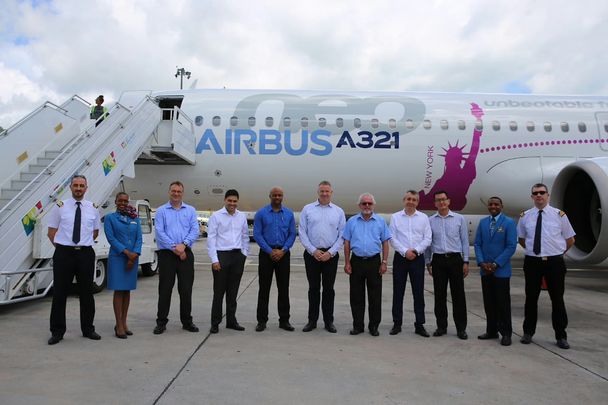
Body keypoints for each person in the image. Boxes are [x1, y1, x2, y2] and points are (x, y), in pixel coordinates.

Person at [517, 183, 575, 349]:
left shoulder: (559, 215)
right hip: (533, 261)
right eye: (535, 193)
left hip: (554, 262)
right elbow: (522, 239)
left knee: (557, 299)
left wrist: (557, 252)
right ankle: (528, 332)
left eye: (542, 193)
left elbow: (570, 239)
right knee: (531, 298)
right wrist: (534, 251)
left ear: (547, 195)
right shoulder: (525, 216)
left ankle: (561, 336)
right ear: (532, 197)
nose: (539, 195)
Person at [47, 174, 101, 345]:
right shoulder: (60, 207)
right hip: (64, 254)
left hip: (85, 254)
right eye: (75, 185)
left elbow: (95, 232)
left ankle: (88, 329)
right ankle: (57, 331)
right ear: (70, 187)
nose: (78, 188)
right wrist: (63, 247)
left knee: (87, 293)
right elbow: (51, 232)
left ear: (86, 188)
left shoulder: (93, 207)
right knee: (60, 293)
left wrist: (80, 246)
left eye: (81, 185)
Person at [299, 181, 345, 333]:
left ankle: (328, 321)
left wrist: (330, 253)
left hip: (330, 256)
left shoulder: (338, 211)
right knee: (313, 289)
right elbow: (302, 232)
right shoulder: (307, 209)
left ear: (332, 192)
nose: (324, 194)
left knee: (328, 289)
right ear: (317, 192)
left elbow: (342, 235)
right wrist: (313, 251)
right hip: (312, 255)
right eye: (322, 191)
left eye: (327, 191)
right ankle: (312, 321)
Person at [153, 181, 200, 335]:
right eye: (173, 191)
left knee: (186, 290)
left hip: (186, 253)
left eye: (179, 191)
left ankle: (187, 321)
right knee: (165, 289)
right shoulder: (161, 211)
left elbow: (195, 230)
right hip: (167, 254)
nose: (176, 194)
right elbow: (160, 232)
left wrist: (184, 245)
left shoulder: (191, 210)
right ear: (169, 192)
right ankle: (161, 322)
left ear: (182, 193)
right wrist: (175, 248)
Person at [343, 193, 391, 337]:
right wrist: (347, 262)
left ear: (373, 205)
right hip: (356, 261)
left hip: (374, 262)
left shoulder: (380, 221)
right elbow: (347, 243)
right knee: (356, 296)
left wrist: (384, 262)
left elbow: (385, 242)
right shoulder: (351, 221)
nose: (367, 206)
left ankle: (374, 326)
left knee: (375, 296)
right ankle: (357, 326)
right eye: (364, 203)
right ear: (359, 205)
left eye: (369, 203)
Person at [426, 190, 469, 340]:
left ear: (448, 201)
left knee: (458, 295)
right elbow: (429, 244)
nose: (441, 202)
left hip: (455, 259)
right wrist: (428, 262)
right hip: (438, 260)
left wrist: (466, 261)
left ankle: (461, 328)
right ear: (435, 203)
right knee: (440, 295)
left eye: (444, 199)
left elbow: (464, 241)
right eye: (438, 200)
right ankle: (441, 326)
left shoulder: (459, 219)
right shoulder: (430, 221)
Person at [473, 196, 517, 346]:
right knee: (489, 302)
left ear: (501, 206)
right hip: (485, 270)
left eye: (496, 204)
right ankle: (491, 330)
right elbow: (477, 244)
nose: (493, 206)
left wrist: (496, 264)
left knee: (503, 303)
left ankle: (506, 333)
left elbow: (511, 246)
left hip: (501, 270)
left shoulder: (509, 223)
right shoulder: (483, 222)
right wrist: (481, 262)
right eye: (491, 204)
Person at [389, 190, 432, 337]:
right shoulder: (395, 217)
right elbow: (392, 238)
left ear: (417, 202)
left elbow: (428, 238)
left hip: (417, 258)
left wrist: (416, 251)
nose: (411, 202)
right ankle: (397, 323)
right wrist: (405, 251)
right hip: (401, 258)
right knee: (398, 292)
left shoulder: (424, 218)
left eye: (414, 199)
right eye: (408, 199)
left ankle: (419, 325)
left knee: (418, 292)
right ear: (404, 200)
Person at [253, 187, 297, 332]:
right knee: (264, 289)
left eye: (279, 195)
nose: (277, 197)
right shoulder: (261, 213)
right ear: (269, 196)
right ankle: (261, 321)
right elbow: (257, 235)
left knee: (284, 289)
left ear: (282, 197)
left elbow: (292, 234)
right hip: (266, 254)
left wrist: (283, 250)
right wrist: (270, 250)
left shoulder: (289, 214)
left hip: (283, 254)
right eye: (274, 195)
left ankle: (284, 320)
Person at [207, 189, 250, 333]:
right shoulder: (216, 216)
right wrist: (214, 260)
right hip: (221, 256)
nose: (232, 203)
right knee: (218, 293)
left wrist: (244, 254)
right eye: (230, 201)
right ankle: (215, 323)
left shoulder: (241, 216)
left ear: (237, 202)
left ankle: (231, 321)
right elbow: (211, 239)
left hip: (237, 256)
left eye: (235, 201)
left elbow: (245, 236)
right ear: (225, 200)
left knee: (233, 292)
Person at [104, 192, 142, 339]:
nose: (123, 203)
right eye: (120, 201)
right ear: (116, 201)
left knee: (127, 291)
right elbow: (111, 239)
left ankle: (124, 322)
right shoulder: (110, 218)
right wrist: (127, 253)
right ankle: (118, 324)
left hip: (133, 258)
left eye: (125, 201)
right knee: (119, 291)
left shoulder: (134, 219)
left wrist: (135, 255)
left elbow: (139, 238)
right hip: (118, 258)